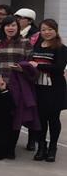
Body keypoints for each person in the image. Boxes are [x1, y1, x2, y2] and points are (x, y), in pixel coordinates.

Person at [0, 15, 37, 155]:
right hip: (1, 83)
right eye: (7, 25)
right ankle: (2, 144)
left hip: (18, 84)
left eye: (13, 25)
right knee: (2, 115)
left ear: (18, 27)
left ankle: (11, 148)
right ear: (3, 28)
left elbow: (32, 64)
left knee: (15, 116)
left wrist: (22, 69)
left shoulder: (25, 42)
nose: (10, 28)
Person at [29, 19, 67, 162]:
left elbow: (59, 68)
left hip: (55, 89)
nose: (47, 32)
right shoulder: (36, 46)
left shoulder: (61, 48)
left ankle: (52, 148)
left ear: (56, 30)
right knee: (41, 119)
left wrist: (38, 66)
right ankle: (41, 146)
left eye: (50, 29)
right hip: (38, 87)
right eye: (44, 29)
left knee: (53, 119)